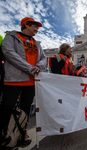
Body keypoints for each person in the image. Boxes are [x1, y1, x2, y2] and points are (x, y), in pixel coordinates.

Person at [0, 17, 47, 146]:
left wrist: (39, 66)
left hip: (31, 82)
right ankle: (4, 133)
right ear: (26, 25)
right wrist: (30, 68)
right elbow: (9, 53)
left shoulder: (37, 43)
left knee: (25, 109)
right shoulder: (11, 36)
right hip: (13, 80)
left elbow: (43, 58)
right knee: (7, 107)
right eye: (34, 26)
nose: (37, 29)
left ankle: (22, 132)